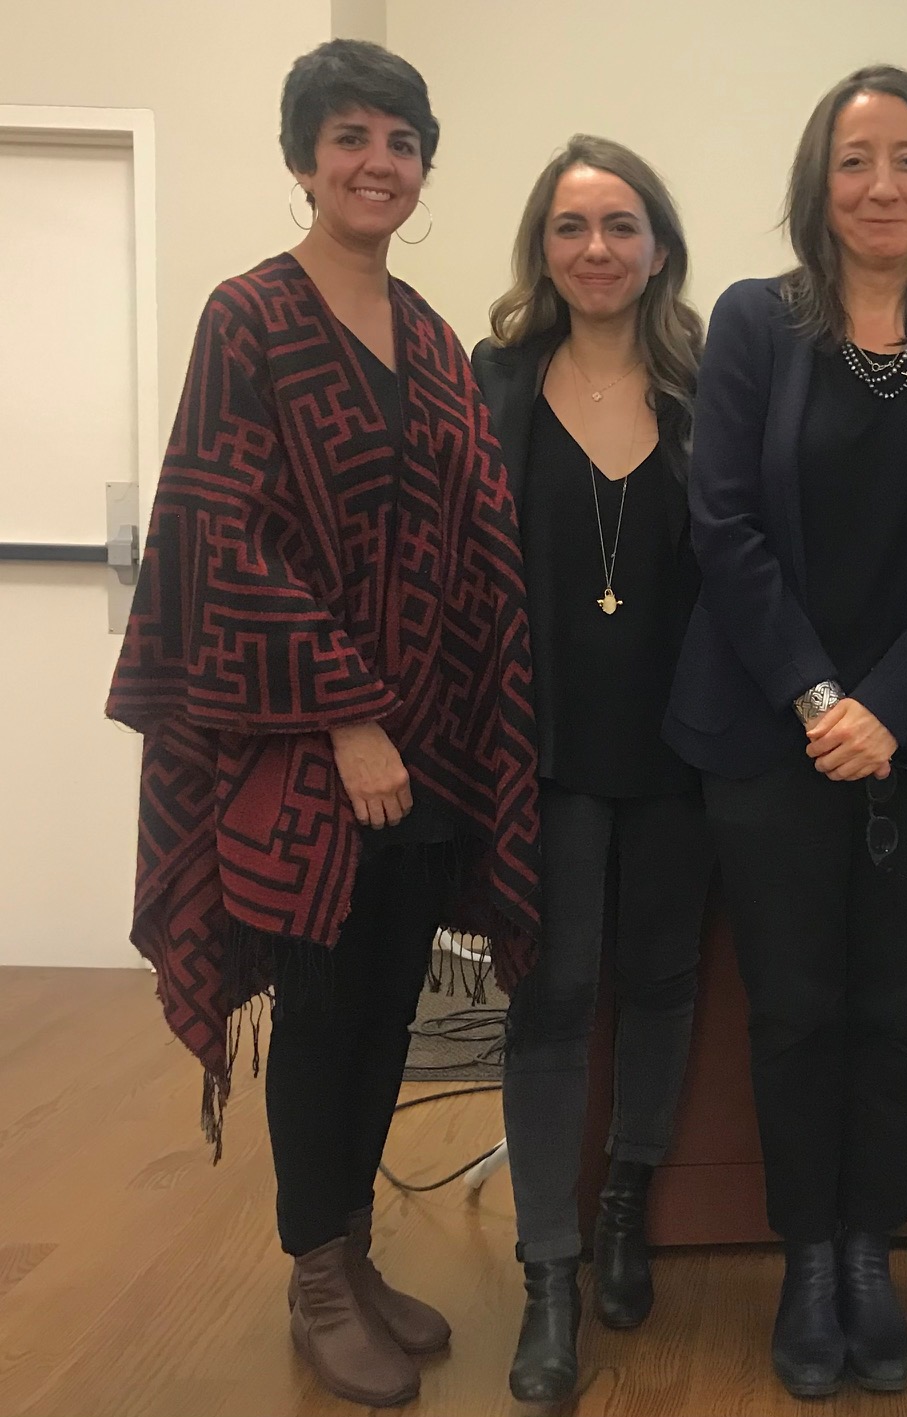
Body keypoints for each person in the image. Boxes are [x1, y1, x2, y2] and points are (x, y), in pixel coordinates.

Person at [104, 40, 541, 1410]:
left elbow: (471, 539)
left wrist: (455, 718)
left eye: (400, 141)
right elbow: (217, 535)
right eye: (349, 137)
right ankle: (312, 1273)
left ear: (424, 167)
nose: (376, 162)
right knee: (322, 1011)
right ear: (305, 159)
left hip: (428, 753)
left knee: (391, 1006)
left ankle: (353, 1252)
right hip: (304, 750)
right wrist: (349, 715)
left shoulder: (429, 335)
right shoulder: (250, 319)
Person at [665, 65, 907, 1398]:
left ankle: (868, 1250)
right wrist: (824, 699)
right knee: (793, 1011)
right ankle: (804, 1254)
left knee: (893, 1010)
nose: (882, 186)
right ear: (816, 187)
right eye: (853, 161)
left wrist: (889, 707)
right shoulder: (756, 324)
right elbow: (724, 526)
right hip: (774, 736)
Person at [470, 136, 714, 1406]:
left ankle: (626, 1200)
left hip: (682, 753)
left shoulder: (712, 385)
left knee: (663, 981)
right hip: (544, 753)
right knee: (554, 995)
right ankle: (550, 1273)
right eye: (573, 228)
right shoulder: (496, 379)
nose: (598, 250)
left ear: (659, 244)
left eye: (622, 225)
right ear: (543, 248)